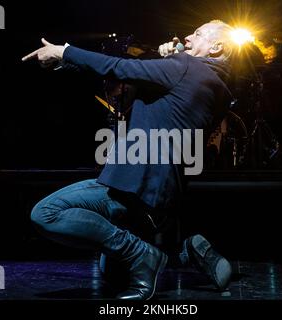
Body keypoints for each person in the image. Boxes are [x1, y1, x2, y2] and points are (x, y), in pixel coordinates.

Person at [22, 20, 234, 300]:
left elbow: (121, 68)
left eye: (197, 33)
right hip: (162, 197)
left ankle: (144, 253)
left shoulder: (185, 67)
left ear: (217, 46)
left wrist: (65, 52)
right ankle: (182, 251)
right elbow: (160, 97)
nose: (187, 36)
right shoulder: (217, 88)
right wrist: (167, 58)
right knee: (114, 277)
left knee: (46, 214)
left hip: (135, 184)